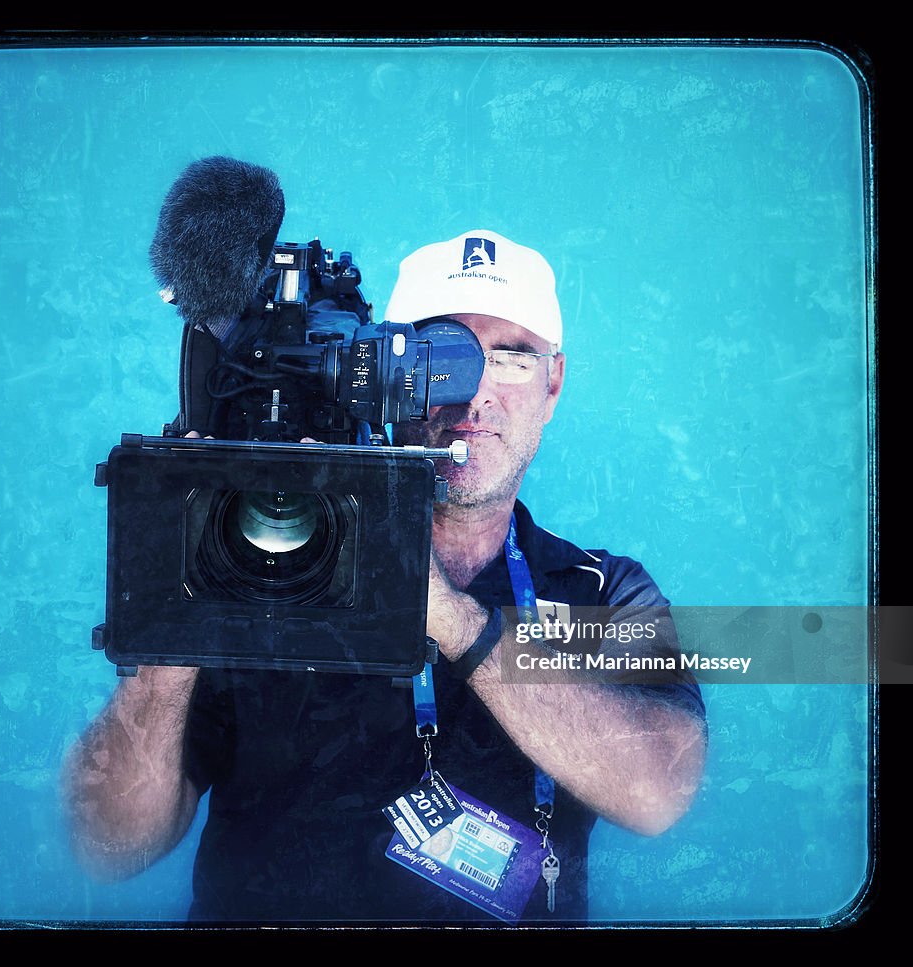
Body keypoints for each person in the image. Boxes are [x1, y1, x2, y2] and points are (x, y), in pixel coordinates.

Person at [63, 229, 708, 925]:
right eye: (442, 357)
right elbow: (106, 846)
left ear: (553, 383)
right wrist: (176, 615)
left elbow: (659, 790)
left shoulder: (601, 591)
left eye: (512, 357)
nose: (476, 394)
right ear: (382, 376)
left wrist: (452, 619)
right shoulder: (263, 556)